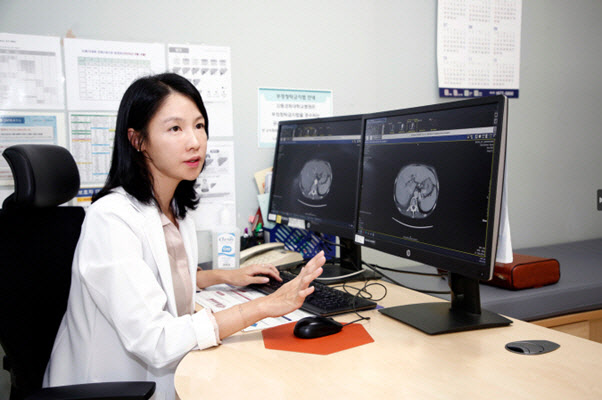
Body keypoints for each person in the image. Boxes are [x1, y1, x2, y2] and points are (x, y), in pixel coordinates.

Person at [43, 73, 325, 399]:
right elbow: (156, 340)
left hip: (169, 374)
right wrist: (266, 305)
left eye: (199, 125)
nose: (194, 141)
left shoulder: (175, 209)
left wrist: (224, 276)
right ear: (138, 140)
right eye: (175, 128)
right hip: (111, 389)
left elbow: (163, 277)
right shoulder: (111, 218)